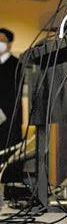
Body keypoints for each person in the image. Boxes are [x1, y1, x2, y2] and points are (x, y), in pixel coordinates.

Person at [0, 28, 24, 182]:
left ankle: (11, 184)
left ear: (9, 44)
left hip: (11, 116)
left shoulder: (17, 64)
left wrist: (4, 111)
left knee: (10, 149)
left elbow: (15, 92)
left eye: (2, 41)